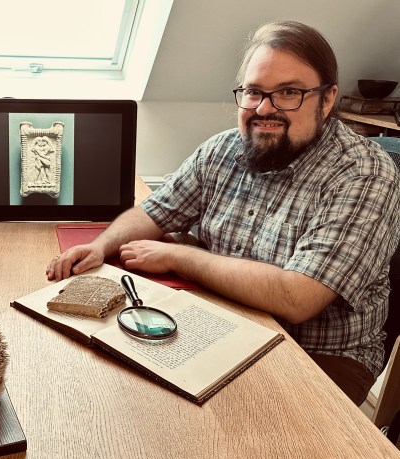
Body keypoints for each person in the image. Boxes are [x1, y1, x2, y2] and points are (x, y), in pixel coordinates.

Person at [47, 20, 400, 406]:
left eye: (289, 93)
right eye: (253, 92)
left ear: (328, 99)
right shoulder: (224, 148)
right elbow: (155, 211)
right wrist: (102, 245)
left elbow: (298, 297)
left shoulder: (364, 173)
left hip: (320, 355)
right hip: (223, 317)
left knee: (240, 436)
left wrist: (175, 255)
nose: (265, 109)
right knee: (116, 387)